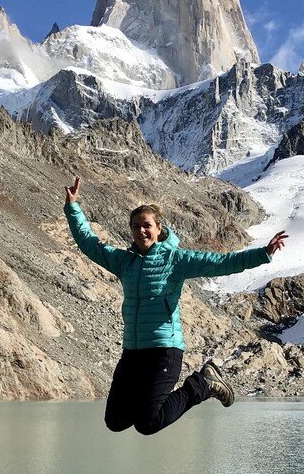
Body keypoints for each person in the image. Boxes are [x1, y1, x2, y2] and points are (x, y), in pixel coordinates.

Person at [64, 176, 287, 435]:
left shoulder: (175, 259)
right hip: (133, 352)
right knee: (115, 421)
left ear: (159, 229)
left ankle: (203, 383)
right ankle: (154, 400)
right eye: (135, 227)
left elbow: (220, 263)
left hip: (163, 350)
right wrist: (73, 207)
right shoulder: (124, 262)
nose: (141, 231)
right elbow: (89, 244)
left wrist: (263, 253)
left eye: (146, 226)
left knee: (148, 424)